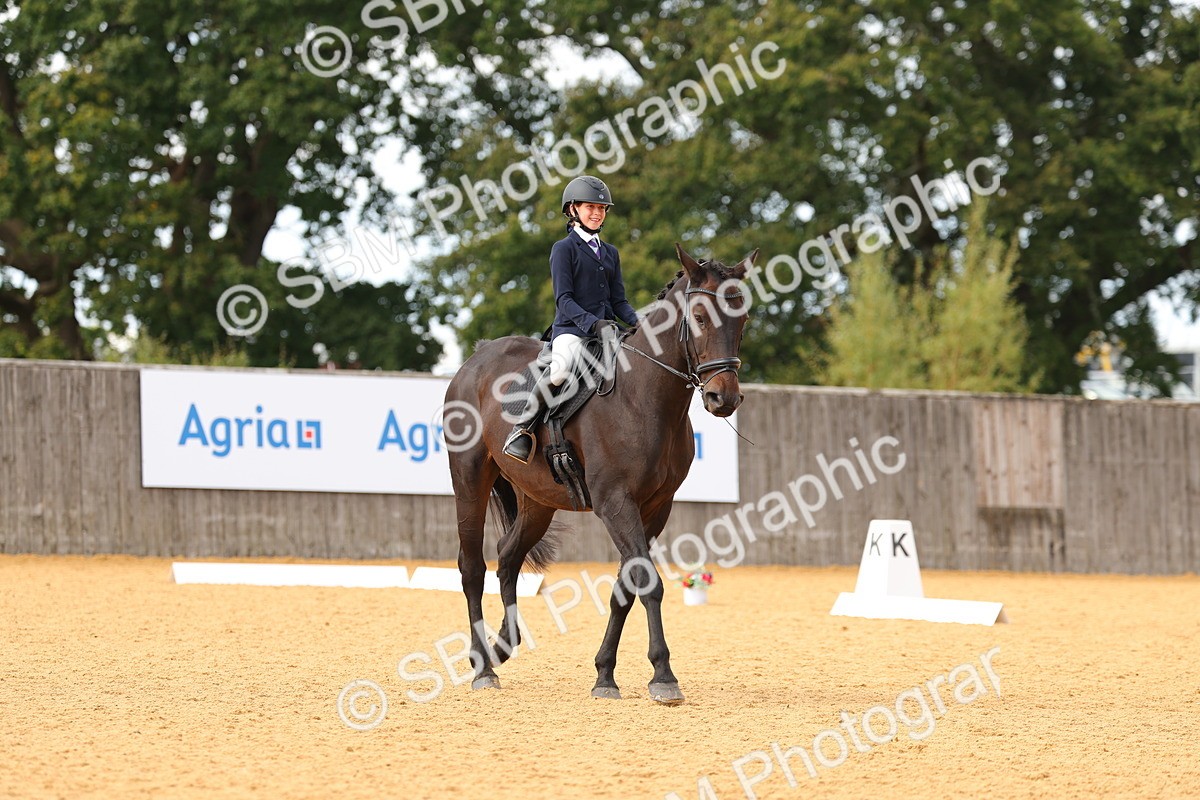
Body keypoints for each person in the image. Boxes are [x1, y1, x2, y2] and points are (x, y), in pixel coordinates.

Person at [503, 175, 640, 463]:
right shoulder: (563, 249)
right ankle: (522, 429)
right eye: (590, 207)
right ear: (573, 209)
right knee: (560, 370)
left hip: (607, 331)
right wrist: (593, 323)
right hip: (572, 330)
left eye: (601, 208)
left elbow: (619, 301)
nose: (597, 213)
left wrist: (640, 323)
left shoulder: (610, 253)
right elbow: (563, 300)